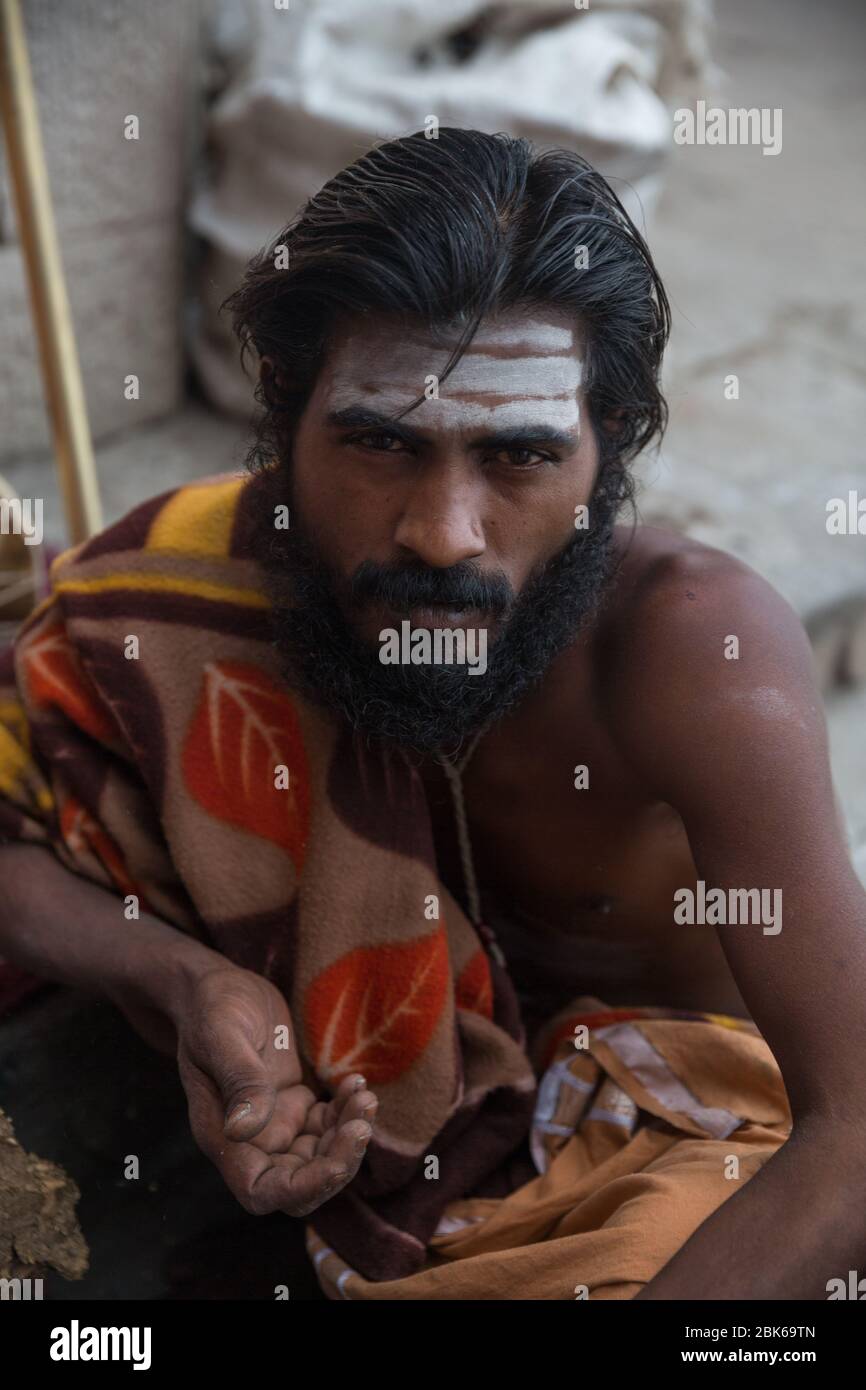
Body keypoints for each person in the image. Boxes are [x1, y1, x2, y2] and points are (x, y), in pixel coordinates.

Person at [1, 130, 864, 1301]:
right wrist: (186, 983)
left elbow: (851, 1133)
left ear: (609, 447)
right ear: (284, 419)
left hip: (701, 1152)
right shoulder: (188, 589)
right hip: (376, 1195)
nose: (441, 533)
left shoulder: (695, 654)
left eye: (516, 456)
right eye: (380, 443)